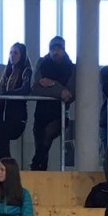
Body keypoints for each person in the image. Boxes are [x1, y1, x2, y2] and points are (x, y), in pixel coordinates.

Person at [29, 36, 75, 171]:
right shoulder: (42, 64)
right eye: (52, 49)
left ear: (64, 50)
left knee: (47, 137)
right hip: (41, 115)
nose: (55, 52)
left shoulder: (71, 68)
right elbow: (35, 88)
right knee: (41, 145)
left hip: (60, 115)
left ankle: (34, 164)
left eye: (58, 49)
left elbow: (70, 95)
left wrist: (51, 84)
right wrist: (60, 91)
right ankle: (38, 171)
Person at [0, 43, 32, 160]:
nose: (12, 55)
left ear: (22, 55)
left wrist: (5, 95)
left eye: (16, 53)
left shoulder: (26, 71)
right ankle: (6, 162)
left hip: (16, 119)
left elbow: (25, 90)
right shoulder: (6, 73)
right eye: (10, 52)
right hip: (2, 118)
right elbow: (1, 92)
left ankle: (6, 163)